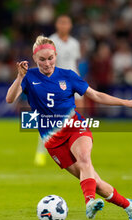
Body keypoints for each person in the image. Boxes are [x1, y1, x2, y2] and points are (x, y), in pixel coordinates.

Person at [6, 36, 132, 220]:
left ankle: (89, 202)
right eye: (42, 59)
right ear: (35, 59)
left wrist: (126, 103)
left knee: (84, 159)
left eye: (50, 58)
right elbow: (10, 99)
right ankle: (129, 206)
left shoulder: (68, 76)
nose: (47, 63)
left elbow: (95, 95)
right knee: (95, 183)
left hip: (75, 127)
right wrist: (19, 76)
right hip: (52, 141)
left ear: (56, 55)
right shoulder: (29, 77)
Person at [34, 15, 82, 167]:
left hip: (72, 82)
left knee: (75, 118)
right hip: (55, 83)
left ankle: (72, 150)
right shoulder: (51, 42)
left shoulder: (74, 43)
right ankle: (41, 151)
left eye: (66, 22)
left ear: (70, 25)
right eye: (61, 22)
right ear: (57, 25)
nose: (64, 25)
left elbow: (74, 63)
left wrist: (80, 84)